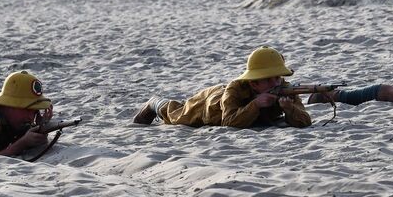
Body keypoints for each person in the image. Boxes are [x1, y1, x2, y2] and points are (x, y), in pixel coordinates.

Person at [133, 46, 311, 128]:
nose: (276, 83)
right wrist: (256, 105)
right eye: (268, 80)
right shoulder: (235, 90)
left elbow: (305, 121)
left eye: (278, 78)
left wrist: (290, 110)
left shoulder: (283, 87)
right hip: (209, 105)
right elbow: (228, 122)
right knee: (175, 114)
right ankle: (154, 103)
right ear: (253, 82)